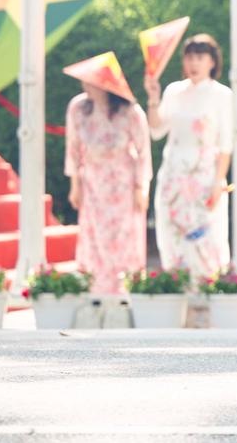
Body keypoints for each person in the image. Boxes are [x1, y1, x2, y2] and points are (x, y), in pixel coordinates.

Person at [144, 34, 233, 277]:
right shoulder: (174, 91)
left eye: (200, 57)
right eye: (189, 57)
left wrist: (218, 181)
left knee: (206, 236)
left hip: (204, 175)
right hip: (173, 173)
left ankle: (207, 290)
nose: (194, 62)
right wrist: (153, 98)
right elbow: (156, 130)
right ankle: (177, 286)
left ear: (212, 62)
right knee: (171, 233)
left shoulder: (222, 94)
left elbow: (226, 143)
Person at [62, 54, 151, 295]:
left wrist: (141, 187)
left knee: (124, 236)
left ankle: (125, 291)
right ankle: (96, 291)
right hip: (93, 182)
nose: (86, 86)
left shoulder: (130, 112)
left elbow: (143, 152)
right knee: (95, 237)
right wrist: (75, 184)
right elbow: (73, 148)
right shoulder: (78, 109)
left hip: (123, 182)